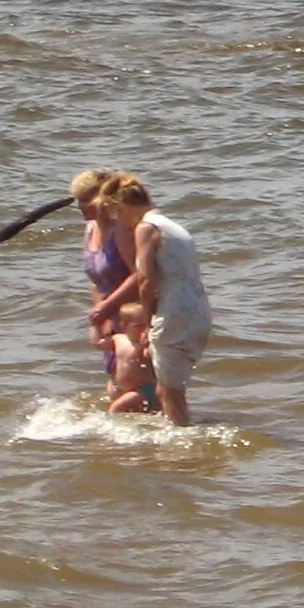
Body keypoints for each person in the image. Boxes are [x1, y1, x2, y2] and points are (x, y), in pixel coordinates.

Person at [88, 176, 213, 427]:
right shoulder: (171, 226)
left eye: (116, 214)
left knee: (170, 396)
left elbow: (145, 278)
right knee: (169, 390)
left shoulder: (146, 228)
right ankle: (172, 437)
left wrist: (147, 320)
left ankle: (178, 449)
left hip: (174, 314)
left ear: (122, 207)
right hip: (198, 311)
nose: (118, 222)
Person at [70, 166, 152, 408]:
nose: (80, 207)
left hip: (136, 313)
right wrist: (101, 315)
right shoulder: (90, 228)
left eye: (85, 200)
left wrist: (108, 305)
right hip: (110, 315)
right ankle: (126, 443)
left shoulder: (122, 231)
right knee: (116, 385)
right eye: (77, 201)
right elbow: (95, 277)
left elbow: (140, 275)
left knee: (141, 387)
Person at [105, 302, 155, 415]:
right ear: (124, 325)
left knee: (116, 408)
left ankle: (107, 428)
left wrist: (144, 346)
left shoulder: (147, 344)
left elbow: (148, 357)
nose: (145, 330)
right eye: (139, 326)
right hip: (121, 388)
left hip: (142, 389)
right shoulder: (118, 338)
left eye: (148, 325)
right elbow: (99, 344)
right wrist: (95, 325)